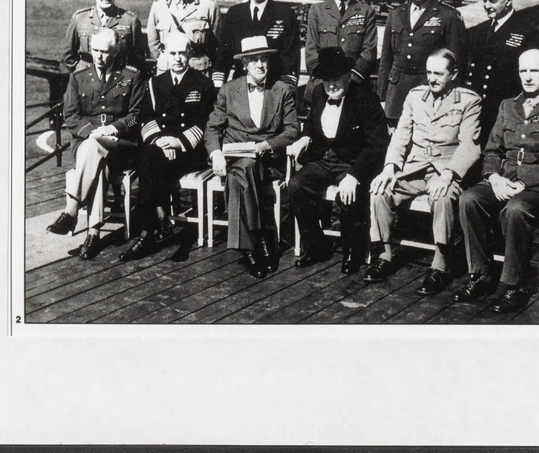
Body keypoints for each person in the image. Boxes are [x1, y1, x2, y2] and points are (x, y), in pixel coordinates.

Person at [454, 49, 539, 313]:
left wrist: (522, 182)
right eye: (523, 71)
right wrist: (493, 177)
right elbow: (492, 150)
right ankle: (481, 275)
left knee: (516, 208)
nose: (528, 77)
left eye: (534, 70)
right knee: (469, 199)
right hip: (504, 180)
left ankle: (516, 286)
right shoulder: (507, 106)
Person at [365, 48, 482, 294]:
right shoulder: (415, 96)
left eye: (438, 73)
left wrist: (448, 175)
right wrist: (389, 168)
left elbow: (469, 146)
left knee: (442, 196)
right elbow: (401, 135)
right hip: (414, 168)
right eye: (429, 72)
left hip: (446, 170)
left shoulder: (468, 101)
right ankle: (384, 255)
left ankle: (440, 265)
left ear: (453, 74)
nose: (432, 79)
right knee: (380, 190)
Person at [204, 36, 299, 278]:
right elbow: (213, 128)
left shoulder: (282, 90)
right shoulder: (229, 90)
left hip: (268, 161)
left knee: (238, 176)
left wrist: (267, 145)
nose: (259, 64)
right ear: (244, 63)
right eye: (254, 60)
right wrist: (216, 154)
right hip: (235, 157)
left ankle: (250, 245)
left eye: (264, 59)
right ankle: (261, 239)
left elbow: (292, 130)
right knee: (243, 167)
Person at [47, 28, 145, 260]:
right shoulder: (78, 76)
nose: (99, 56)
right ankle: (93, 234)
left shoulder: (131, 76)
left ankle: (71, 210)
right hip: (87, 143)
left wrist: (113, 129)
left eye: (105, 51)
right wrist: (93, 134)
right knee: (96, 160)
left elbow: (137, 115)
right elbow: (70, 115)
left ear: (116, 50)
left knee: (94, 152)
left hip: (120, 144)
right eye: (95, 50)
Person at [286, 47, 387, 274]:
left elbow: (377, 144)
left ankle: (353, 250)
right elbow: (311, 124)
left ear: (348, 76)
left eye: (337, 79)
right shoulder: (318, 94)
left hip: (353, 162)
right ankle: (316, 246)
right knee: (297, 185)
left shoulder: (365, 98)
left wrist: (354, 175)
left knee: (348, 193)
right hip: (323, 158)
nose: (331, 85)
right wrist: (305, 137)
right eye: (326, 79)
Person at [119, 33, 216, 261]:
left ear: (190, 54)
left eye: (182, 53)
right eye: (173, 53)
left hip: (189, 151)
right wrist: (161, 142)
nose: (178, 58)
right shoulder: (155, 83)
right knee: (151, 154)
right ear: (165, 54)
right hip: (161, 147)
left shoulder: (203, 84)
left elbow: (204, 122)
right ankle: (155, 221)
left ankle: (151, 227)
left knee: (148, 159)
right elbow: (145, 119)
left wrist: (178, 143)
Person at [377, 0, 467, 122]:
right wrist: (382, 97)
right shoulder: (395, 15)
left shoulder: (448, 15)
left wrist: (453, 102)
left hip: (431, 93)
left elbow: (457, 62)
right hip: (397, 96)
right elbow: (386, 60)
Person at [463, 0, 539, 144]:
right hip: (479, 115)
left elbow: (538, 80)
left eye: (493, 1)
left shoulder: (526, 33)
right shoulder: (480, 31)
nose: (487, 6)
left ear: (508, 1)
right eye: (484, 0)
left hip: (508, 117)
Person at [212, 0, 300, 90]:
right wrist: (218, 87)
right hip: (241, 88)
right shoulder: (235, 14)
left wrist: (286, 91)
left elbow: (290, 58)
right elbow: (224, 55)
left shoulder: (284, 14)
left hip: (273, 88)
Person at [304, 0, 378, 95]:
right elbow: (311, 51)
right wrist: (323, 83)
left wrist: (351, 81)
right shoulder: (317, 11)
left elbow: (369, 52)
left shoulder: (366, 12)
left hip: (354, 88)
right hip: (322, 87)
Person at [146, 0, 221, 76]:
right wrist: (164, 60)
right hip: (167, 72)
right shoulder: (159, 6)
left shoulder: (208, 6)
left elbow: (217, 45)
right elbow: (153, 43)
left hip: (198, 73)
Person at [61, 0, 146, 73]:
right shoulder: (79, 18)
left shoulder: (130, 20)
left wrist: (127, 77)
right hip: (87, 77)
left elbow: (138, 58)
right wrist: (80, 75)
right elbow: (68, 57)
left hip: (118, 76)